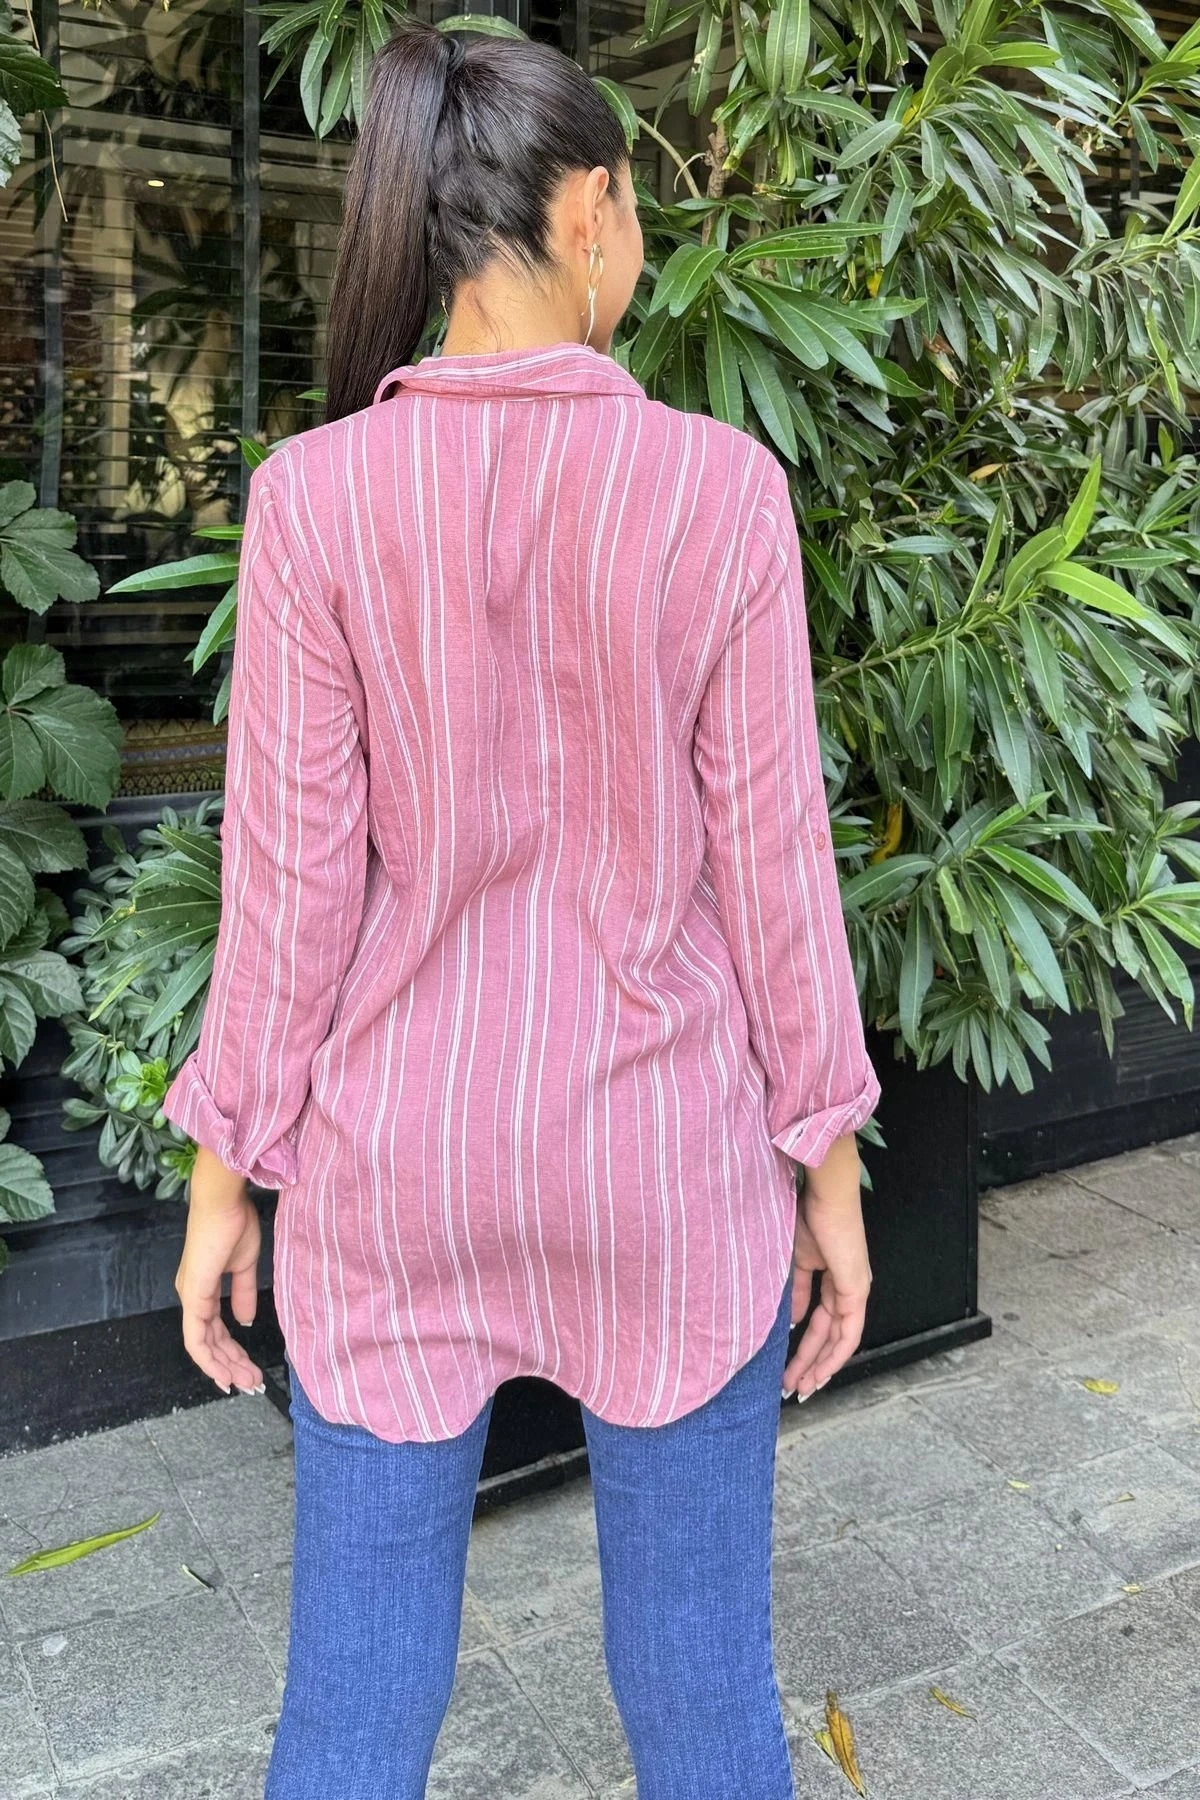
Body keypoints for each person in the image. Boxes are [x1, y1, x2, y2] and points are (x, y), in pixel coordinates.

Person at [163, 16, 881, 1799]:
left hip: (395, 1175)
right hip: (662, 1165)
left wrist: (225, 1172)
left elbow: (288, 893)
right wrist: (829, 1161)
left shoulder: (312, 502)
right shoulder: (719, 492)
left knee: (352, 1707)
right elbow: (776, 868)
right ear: (590, 210)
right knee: (704, 1698)